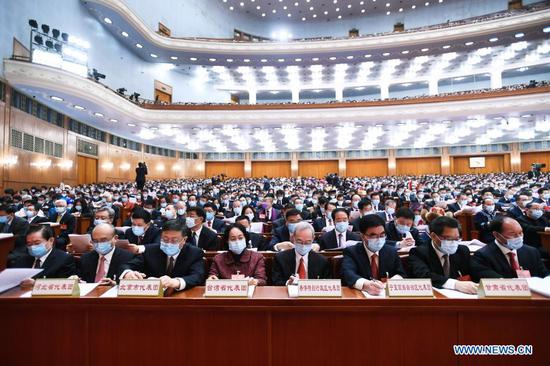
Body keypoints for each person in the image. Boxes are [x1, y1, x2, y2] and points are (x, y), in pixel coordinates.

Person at [119, 220, 205, 291]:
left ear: (184, 240)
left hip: (181, 297)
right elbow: (126, 265)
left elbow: (197, 276)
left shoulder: (194, 253)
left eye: (174, 240)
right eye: (165, 239)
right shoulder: (150, 250)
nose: (168, 243)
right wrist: (128, 273)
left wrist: (176, 282)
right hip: (152, 297)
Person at [408, 216, 477, 294]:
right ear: (433, 236)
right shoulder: (419, 252)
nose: (453, 243)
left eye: (457, 239)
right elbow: (423, 276)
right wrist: (455, 284)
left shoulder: (462, 251)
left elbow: (471, 273)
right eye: (448, 238)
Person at [342, 215, 406, 295]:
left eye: (382, 235)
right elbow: (348, 274)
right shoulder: (352, 252)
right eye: (373, 235)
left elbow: (401, 273)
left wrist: (389, 283)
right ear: (362, 236)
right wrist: (365, 284)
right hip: (361, 298)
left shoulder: (391, 251)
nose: (379, 239)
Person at [471, 216, 549, 280]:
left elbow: (544, 275)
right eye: (513, 234)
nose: (519, 237)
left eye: (520, 232)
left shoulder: (531, 252)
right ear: (497, 235)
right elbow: (495, 281)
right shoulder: (483, 255)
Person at [10, 225, 76, 286]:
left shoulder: (64, 259)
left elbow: (65, 285)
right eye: (29, 244)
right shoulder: (22, 259)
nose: (32, 247)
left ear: (51, 240)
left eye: (37, 243)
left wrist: (36, 284)